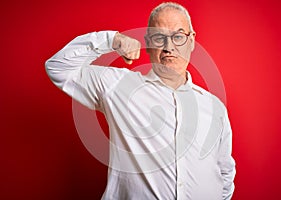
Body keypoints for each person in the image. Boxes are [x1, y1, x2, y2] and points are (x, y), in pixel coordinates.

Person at [45, 2, 236, 200]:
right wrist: (112, 40)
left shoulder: (214, 107)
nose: (169, 47)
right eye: (158, 37)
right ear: (147, 42)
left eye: (178, 36)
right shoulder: (117, 86)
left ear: (192, 40)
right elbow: (58, 68)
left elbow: (225, 172)